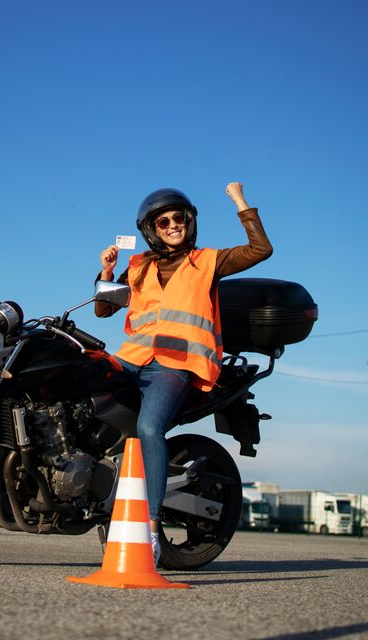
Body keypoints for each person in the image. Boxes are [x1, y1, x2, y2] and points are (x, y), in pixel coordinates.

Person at [95, 182, 273, 563]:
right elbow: (103, 311)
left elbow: (261, 250)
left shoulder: (208, 261)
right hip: (132, 358)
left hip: (176, 366)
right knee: (81, 387)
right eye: (164, 221)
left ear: (189, 222)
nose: (173, 225)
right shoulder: (138, 265)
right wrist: (106, 270)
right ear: (152, 229)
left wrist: (239, 201)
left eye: (179, 218)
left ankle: (152, 529)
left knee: (148, 428)